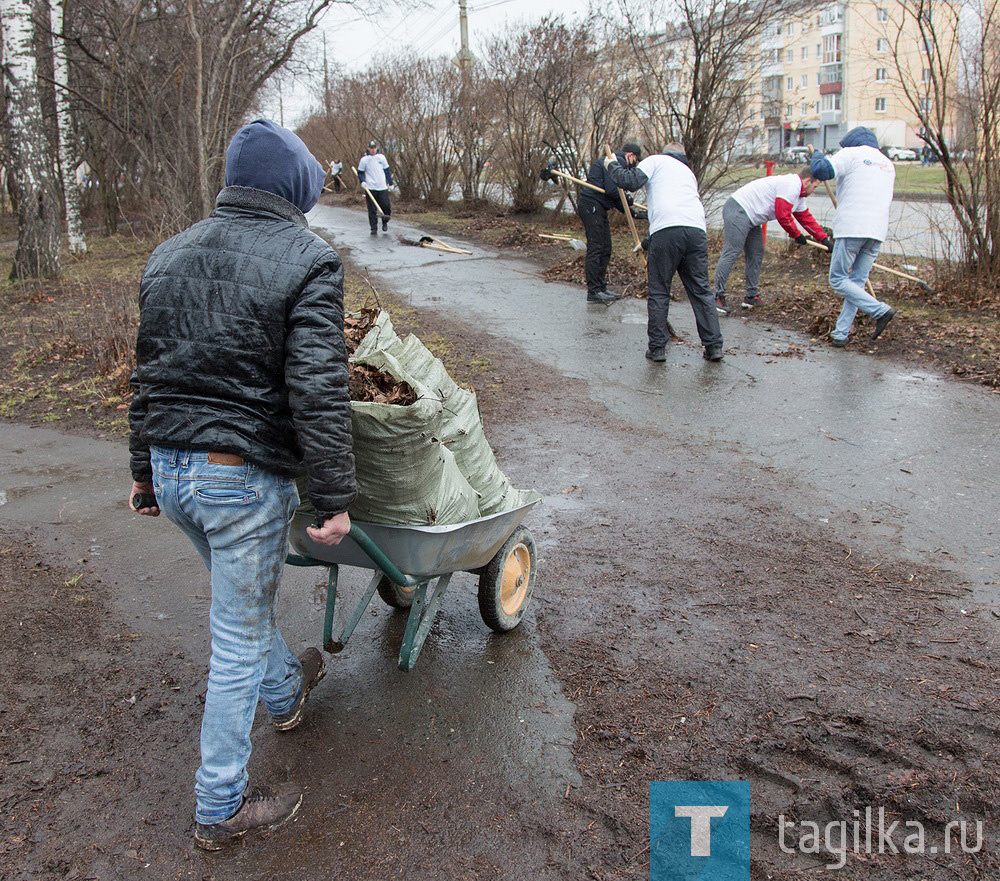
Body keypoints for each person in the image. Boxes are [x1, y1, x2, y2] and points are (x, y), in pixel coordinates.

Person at [127, 118, 357, 851]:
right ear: (293, 189)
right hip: (239, 476)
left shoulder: (168, 254)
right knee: (233, 634)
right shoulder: (308, 259)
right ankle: (221, 804)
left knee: (240, 605)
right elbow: (317, 388)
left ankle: (288, 693)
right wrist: (333, 497)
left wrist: (142, 469)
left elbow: (148, 375)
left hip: (173, 468)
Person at [605, 143, 724, 363]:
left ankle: (658, 348)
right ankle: (714, 346)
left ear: (666, 152)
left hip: (667, 233)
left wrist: (611, 164)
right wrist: (647, 242)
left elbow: (629, 182)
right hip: (697, 233)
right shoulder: (688, 174)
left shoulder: (656, 161)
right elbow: (680, 220)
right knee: (701, 291)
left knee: (659, 291)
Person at [810, 126, 897, 347]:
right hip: (876, 232)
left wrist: (817, 154)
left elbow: (821, 170)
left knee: (838, 279)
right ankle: (840, 334)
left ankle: (880, 310)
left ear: (851, 143)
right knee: (856, 284)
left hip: (852, 228)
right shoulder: (887, 163)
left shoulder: (851, 154)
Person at [713, 168, 831, 314]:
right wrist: (796, 235)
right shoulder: (791, 185)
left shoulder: (799, 196)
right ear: (807, 181)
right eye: (815, 186)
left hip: (752, 217)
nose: (814, 190)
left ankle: (751, 296)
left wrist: (824, 239)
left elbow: (805, 218)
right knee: (732, 251)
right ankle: (716, 296)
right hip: (738, 209)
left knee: (756, 252)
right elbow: (783, 215)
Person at [577, 142, 642, 304]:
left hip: (598, 207)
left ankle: (601, 288)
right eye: (636, 160)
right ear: (630, 156)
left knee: (606, 248)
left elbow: (616, 194)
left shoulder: (616, 162)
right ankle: (594, 291)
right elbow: (614, 191)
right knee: (596, 247)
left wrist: (633, 212)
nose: (635, 164)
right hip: (591, 204)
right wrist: (627, 200)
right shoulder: (615, 161)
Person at [357, 140, 393, 234]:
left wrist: (390, 183)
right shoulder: (364, 160)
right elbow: (360, 173)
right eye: (371, 148)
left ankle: (385, 222)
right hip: (370, 188)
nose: (373, 150)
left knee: (386, 206)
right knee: (372, 209)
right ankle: (373, 228)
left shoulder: (381, 158)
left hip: (382, 187)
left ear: (376, 148)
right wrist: (363, 181)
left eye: (374, 148)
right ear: (368, 148)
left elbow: (387, 170)